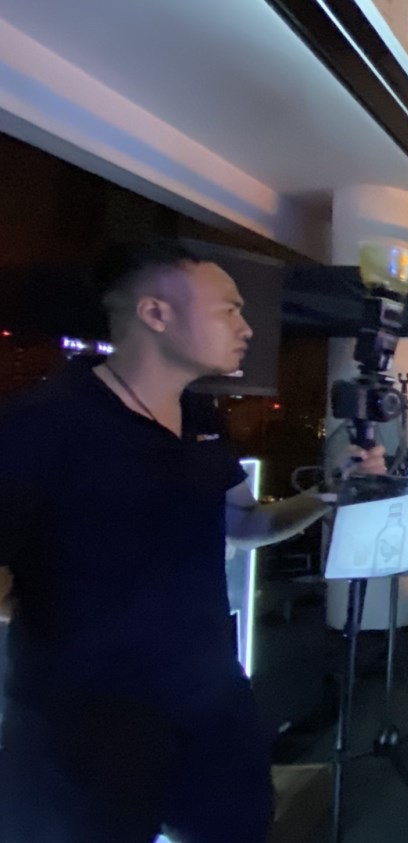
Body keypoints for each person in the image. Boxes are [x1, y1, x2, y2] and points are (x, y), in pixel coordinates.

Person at [0, 241, 385, 843]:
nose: (247, 327)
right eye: (228, 309)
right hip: (84, 721)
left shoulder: (199, 416)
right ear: (156, 313)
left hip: (208, 693)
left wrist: (333, 494)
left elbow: (245, 524)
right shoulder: (42, 424)